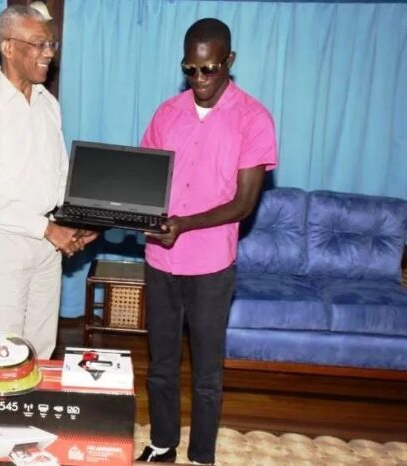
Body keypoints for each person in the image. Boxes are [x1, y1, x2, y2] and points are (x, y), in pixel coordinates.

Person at [136, 18, 278, 464]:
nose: (199, 79)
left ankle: (201, 456)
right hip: (160, 261)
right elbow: (146, 183)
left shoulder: (254, 118)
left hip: (211, 266)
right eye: (190, 69)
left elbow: (243, 203)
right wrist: (124, 215)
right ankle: (162, 445)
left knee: (206, 373)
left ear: (229, 62)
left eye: (210, 69)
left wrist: (184, 225)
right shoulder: (167, 113)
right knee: (160, 365)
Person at [0, 5, 96, 360]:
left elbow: (59, 175)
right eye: (39, 44)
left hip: (47, 245)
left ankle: (33, 417)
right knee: (0, 353)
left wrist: (75, 221)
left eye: (52, 45)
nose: (48, 53)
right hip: (2, 246)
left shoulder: (48, 105)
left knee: (41, 347)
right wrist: (47, 229)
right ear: (8, 47)